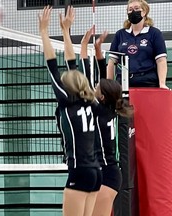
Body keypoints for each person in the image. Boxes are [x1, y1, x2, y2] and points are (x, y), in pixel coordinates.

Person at [39, 6, 102, 216]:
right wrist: (66, 31)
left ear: (66, 87)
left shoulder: (67, 100)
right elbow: (72, 66)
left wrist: (44, 32)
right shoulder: (90, 100)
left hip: (80, 170)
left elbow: (52, 65)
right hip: (95, 171)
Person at [81, 27, 134, 216]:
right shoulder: (107, 107)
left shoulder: (99, 110)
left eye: (98, 87)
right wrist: (97, 49)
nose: (96, 86)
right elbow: (103, 78)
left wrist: (83, 46)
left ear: (102, 97)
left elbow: (86, 79)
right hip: (103, 172)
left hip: (108, 174)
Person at [107, 0, 168, 88]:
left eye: (136, 8)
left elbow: (161, 60)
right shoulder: (120, 34)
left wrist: (162, 83)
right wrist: (109, 84)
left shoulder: (155, 33)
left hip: (147, 82)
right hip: (123, 83)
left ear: (144, 12)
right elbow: (112, 61)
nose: (133, 12)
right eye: (130, 9)